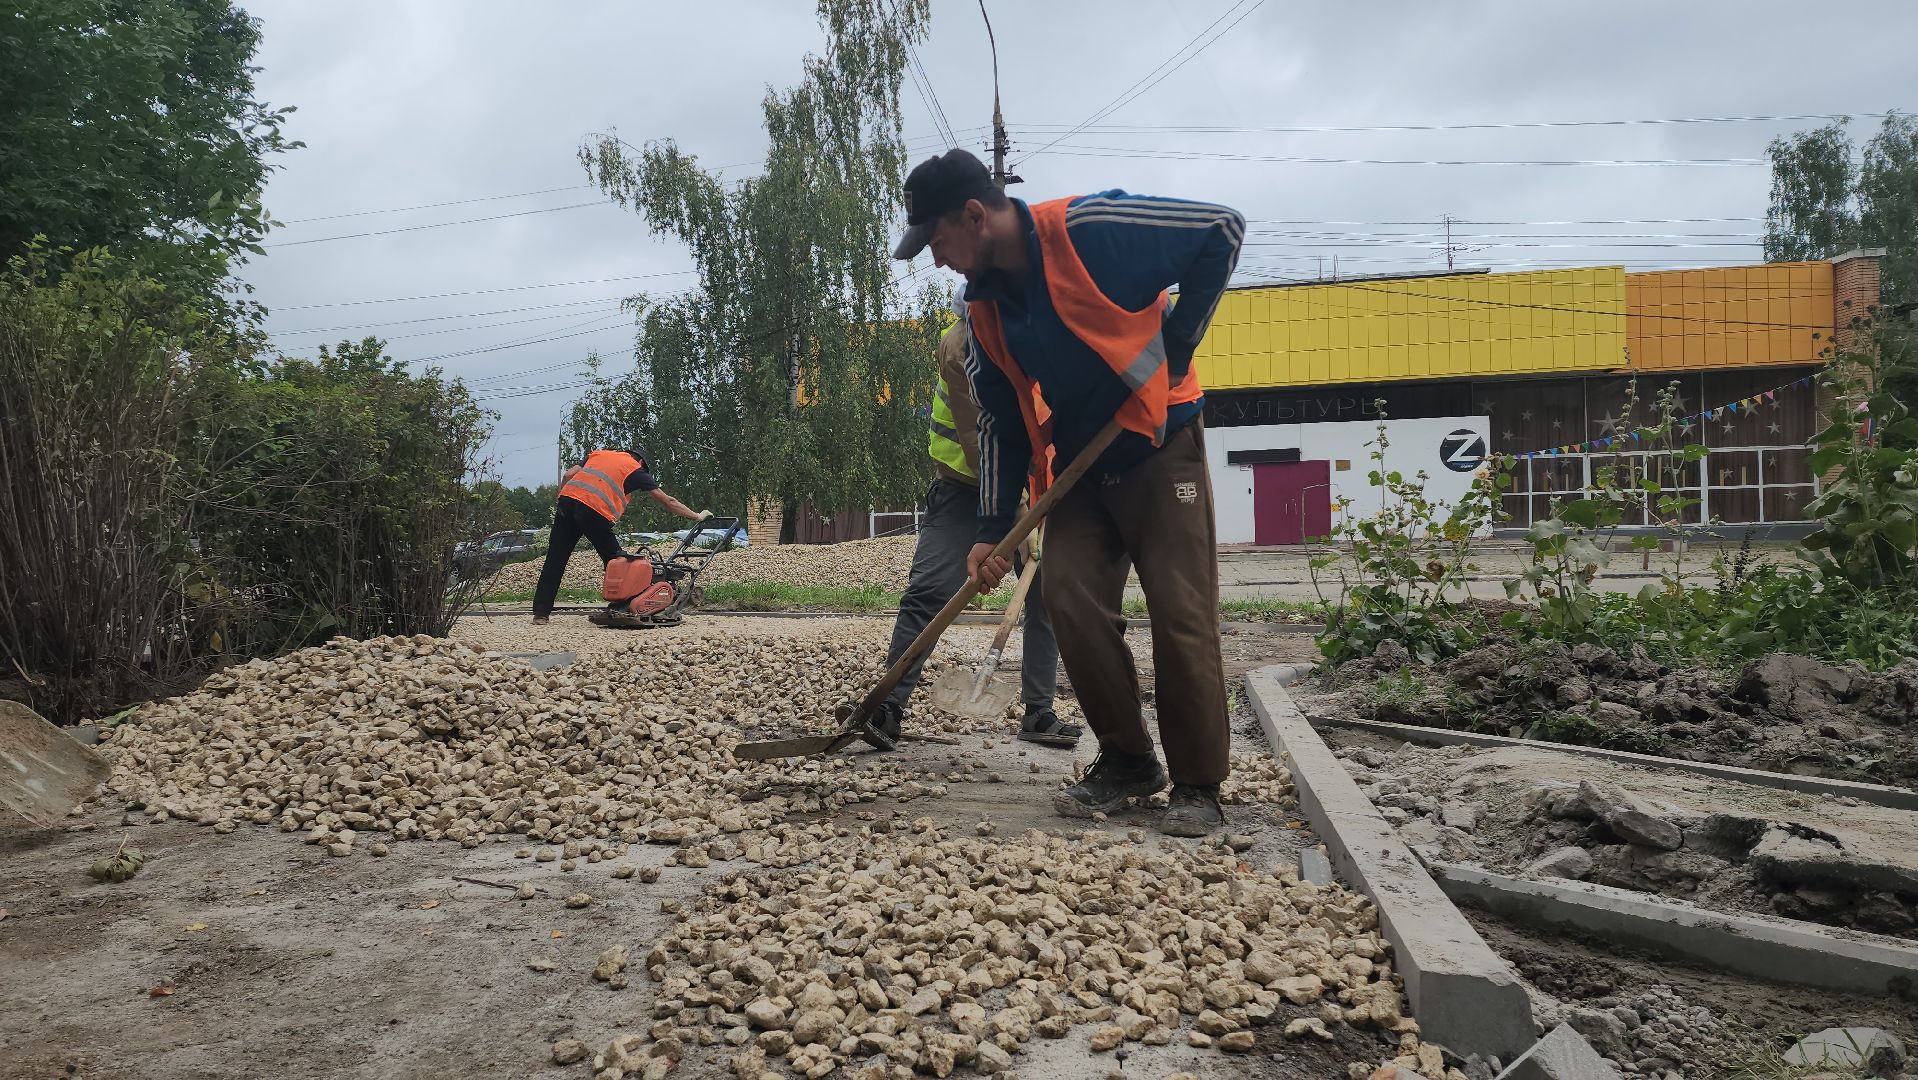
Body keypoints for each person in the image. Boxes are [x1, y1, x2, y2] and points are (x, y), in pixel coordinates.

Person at [892, 149, 1244, 837]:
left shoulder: (1091, 231)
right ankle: (1127, 760)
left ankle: (1199, 782)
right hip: (1083, 461)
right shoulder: (984, 311)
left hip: (1160, 441)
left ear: (974, 216)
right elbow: (995, 418)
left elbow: (1222, 230)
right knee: (1070, 598)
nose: (937, 261)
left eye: (937, 242)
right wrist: (991, 528)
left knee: (1179, 611)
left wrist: (1178, 343)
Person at [864, 316, 1078, 751]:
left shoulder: (1050, 335)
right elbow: (981, 444)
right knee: (927, 592)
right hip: (963, 488)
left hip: (1041, 490)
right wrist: (1017, 512)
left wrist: (1039, 507)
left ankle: (1039, 711)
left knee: (1047, 594)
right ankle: (886, 707)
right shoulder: (963, 346)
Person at [531, 446, 710, 625]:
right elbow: (668, 501)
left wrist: (562, 495)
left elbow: (569, 474)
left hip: (567, 502)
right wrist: (696, 516)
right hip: (594, 511)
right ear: (641, 462)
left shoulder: (599, 454)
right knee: (616, 561)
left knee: (555, 560)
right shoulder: (635, 470)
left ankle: (541, 614)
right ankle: (626, 606)